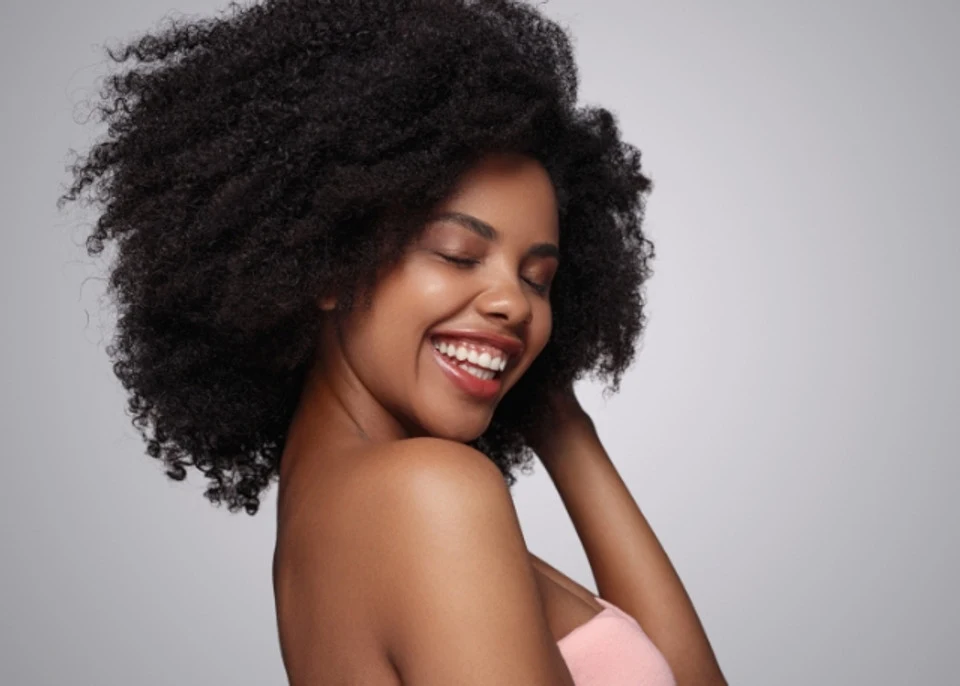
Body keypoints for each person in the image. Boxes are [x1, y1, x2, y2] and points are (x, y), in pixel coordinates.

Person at [59, 0, 727, 683]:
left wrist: (560, 421)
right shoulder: (429, 497)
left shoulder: (343, 512)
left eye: (538, 278)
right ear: (328, 264)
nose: (512, 304)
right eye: (459, 254)